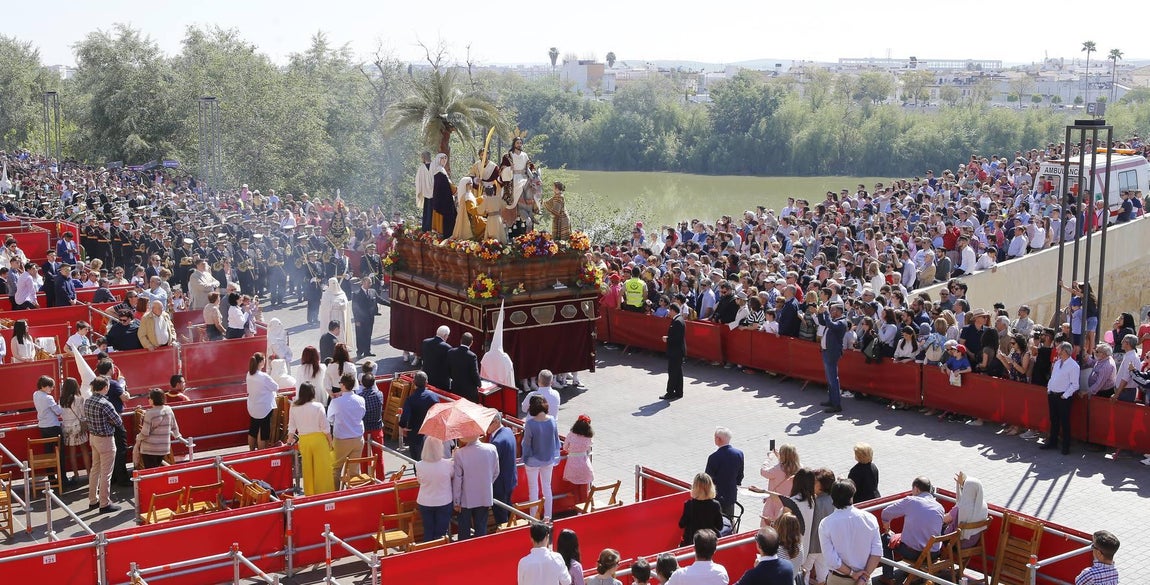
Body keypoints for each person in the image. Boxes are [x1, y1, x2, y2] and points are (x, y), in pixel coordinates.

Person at [877, 477, 944, 583]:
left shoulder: (911, 501)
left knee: (885, 538)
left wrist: (887, 525)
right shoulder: (940, 507)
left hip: (914, 553)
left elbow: (886, 513)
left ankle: (888, 577)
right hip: (934, 553)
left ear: (916, 489)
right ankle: (914, 569)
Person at [819, 480, 881, 585]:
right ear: (851, 496)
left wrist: (852, 573)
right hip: (864, 579)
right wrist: (863, 579)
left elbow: (831, 559)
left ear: (832, 498)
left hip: (838, 580)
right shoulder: (870, 518)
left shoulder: (826, 524)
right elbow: (877, 552)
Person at [83, 376, 123, 513]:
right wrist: (109, 422)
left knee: (95, 469)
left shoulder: (88, 401)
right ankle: (104, 503)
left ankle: (93, 500)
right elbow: (118, 422)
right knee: (106, 473)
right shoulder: (105, 404)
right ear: (105, 388)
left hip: (93, 437)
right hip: (105, 440)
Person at [287, 382, 334, 496]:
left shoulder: (294, 407)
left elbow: (291, 427)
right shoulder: (318, 406)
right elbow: (325, 428)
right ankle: (324, 494)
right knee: (322, 468)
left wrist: (289, 441)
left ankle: (310, 494)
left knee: (307, 469)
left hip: (304, 440)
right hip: (319, 440)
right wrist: (331, 442)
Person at [452, 433, 500, 540]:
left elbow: (457, 480)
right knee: (481, 528)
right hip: (484, 496)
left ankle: (464, 553)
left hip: (466, 498)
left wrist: (456, 501)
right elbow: (496, 472)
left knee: (464, 531)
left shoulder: (460, 454)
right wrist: (486, 484)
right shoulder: (492, 449)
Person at [522, 395, 561, 521]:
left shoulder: (530, 424)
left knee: (533, 489)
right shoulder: (552, 421)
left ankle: (533, 518)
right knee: (547, 487)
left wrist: (525, 458)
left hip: (532, 461)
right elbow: (556, 441)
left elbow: (526, 444)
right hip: (548, 459)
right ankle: (548, 516)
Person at [328, 373, 366, 488]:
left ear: (343, 385)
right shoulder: (361, 400)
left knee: (335, 469)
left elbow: (329, 418)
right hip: (358, 438)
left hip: (342, 439)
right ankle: (352, 494)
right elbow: (362, 414)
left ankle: (335, 495)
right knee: (354, 471)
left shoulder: (336, 402)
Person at [1042, 342, 1080, 455]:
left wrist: (1065, 395)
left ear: (1064, 351)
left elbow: (1075, 384)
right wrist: (1049, 389)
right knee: (1053, 420)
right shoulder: (1058, 362)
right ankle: (1052, 442)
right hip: (1053, 395)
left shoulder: (1074, 366)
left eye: (1059, 350)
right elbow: (1053, 377)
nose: (1057, 351)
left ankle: (1066, 446)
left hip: (1063, 397)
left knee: (1064, 421)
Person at [416, 436, 455, 542]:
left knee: (428, 531)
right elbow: (453, 476)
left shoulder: (419, 465)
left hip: (425, 501)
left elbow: (419, 481)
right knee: (441, 534)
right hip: (444, 501)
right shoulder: (448, 464)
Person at [752, 444, 799, 527]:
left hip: (774, 503)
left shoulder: (777, 469)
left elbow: (763, 471)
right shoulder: (799, 468)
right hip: (788, 503)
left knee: (769, 527)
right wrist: (779, 457)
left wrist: (768, 459)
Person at [33, 375, 68, 485]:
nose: (52, 389)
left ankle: (51, 478)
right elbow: (58, 411)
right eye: (50, 387)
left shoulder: (36, 394)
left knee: (48, 453)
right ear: (44, 386)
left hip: (43, 427)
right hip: (53, 427)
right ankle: (63, 478)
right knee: (60, 453)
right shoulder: (48, 398)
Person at [399, 371, 440, 462]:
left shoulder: (410, 399)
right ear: (426, 382)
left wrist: (403, 426)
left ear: (414, 383)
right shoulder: (434, 397)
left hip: (416, 435)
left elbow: (404, 418)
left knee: (417, 462)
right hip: (431, 434)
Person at [136, 389, 182, 469]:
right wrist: (178, 436)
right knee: (158, 470)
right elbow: (174, 427)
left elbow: (145, 433)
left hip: (150, 449)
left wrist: (138, 437)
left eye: (149, 397)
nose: (148, 399)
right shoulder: (168, 409)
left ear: (153, 399)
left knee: (151, 472)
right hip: (164, 448)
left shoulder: (150, 413)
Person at [705, 427, 745, 518]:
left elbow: (707, 479)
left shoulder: (714, 457)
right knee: (729, 521)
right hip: (730, 495)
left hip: (715, 497)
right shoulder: (739, 454)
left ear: (718, 439)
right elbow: (740, 474)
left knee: (715, 522)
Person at [943, 472, 989, 549]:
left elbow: (943, 520)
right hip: (973, 544)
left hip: (956, 543)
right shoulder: (983, 506)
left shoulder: (960, 508)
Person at [679, 472, 725, 546]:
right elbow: (720, 526)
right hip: (709, 542)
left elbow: (681, 524)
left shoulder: (689, 504)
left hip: (692, 542)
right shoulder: (715, 505)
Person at [59, 377, 91, 484]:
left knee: (72, 452)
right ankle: (89, 473)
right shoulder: (79, 398)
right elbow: (82, 414)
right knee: (84, 450)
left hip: (67, 427)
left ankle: (76, 475)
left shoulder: (61, 399)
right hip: (78, 426)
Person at [488, 416, 519, 525]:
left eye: (488, 423)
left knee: (501, 517)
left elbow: (490, 465)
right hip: (509, 480)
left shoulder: (497, 442)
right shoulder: (508, 431)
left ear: (496, 422)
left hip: (500, 485)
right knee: (507, 509)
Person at [818, 303, 848, 413]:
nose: (831, 312)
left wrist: (826, 313)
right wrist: (821, 313)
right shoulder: (835, 320)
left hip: (832, 352)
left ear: (839, 311)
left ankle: (836, 404)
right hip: (827, 351)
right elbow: (823, 322)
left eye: (833, 310)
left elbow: (830, 325)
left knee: (833, 379)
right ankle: (831, 400)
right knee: (829, 378)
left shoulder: (841, 322)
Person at [246, 352, 278, 451]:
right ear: (260, 362)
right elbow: (276, 387)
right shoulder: (263, 376)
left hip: (252, 406)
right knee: (263, 431)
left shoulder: (249, 374)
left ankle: (251, 450)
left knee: (253, 429)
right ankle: (261, 452)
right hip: (264, 407)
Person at [358, 372, 384, 479]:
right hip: (377, 430)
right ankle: (381, 479)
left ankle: (365, 479)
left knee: (363, 458)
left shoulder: (360, 398)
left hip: (364, 430)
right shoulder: (380, 395)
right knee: (379, 458)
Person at [563, 415, 595, 501]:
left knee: (575, 490)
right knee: (584, 490)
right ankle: (585, 509)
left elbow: (565, 447)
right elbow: (589, 447)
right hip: (584, 463)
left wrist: (571, 451)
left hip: (572, 464)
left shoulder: (571, 435)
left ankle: (578, 511)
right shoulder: (589, 437)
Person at [350, 275, 383, 359]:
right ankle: (360, 351)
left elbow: (380, 300)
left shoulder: (372, 291)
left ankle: (367, 351)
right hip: (360, 319)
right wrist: (357, 320)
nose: (371, 284)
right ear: (363, 283)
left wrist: (391, 304)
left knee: (368, 334)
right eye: (369, 282)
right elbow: (354, 308)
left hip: (370, 318)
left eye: (371, 282)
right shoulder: (357, 293)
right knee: (360, 335)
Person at [661, 303, 687, 400]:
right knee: (678, 372)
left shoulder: (677, 322)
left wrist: (667, 339)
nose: (668, 312)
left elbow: (677, 337)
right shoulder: (679, 320)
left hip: (675, 351)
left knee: (672, 372)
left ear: (673, 310)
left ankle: (670, 392)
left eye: (669, 310)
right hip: (678, 351)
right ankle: (679, 392)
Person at [447, 332, 482, 403]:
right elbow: (474, 373)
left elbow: (448, 369)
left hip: (455, 388)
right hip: (469, 392)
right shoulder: (472, 356)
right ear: (471, 343)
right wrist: (479, 384)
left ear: (461, 340)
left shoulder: (451, 352)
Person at [429, 153, 456, 236]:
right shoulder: (440, 171)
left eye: (445, 159)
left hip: (439, 198)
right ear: (438, 160)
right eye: (442, 159)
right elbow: (446, 185)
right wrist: (455, 190)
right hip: (443, 199)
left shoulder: (438, 170)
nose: (444, 160)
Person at [421, 325, 453, 390]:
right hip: (441, 382)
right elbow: (449, 365)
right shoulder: (447, 348)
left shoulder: (425, 342)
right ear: (445, 335)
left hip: (427, 377)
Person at [415, 151, 434, 232]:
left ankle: (427, 229)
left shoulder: (421, 168)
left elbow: (417, 181)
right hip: (435, 194)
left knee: (427, 212)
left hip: (426, 194)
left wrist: (420, 191)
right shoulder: (435, 166)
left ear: (423, 158)